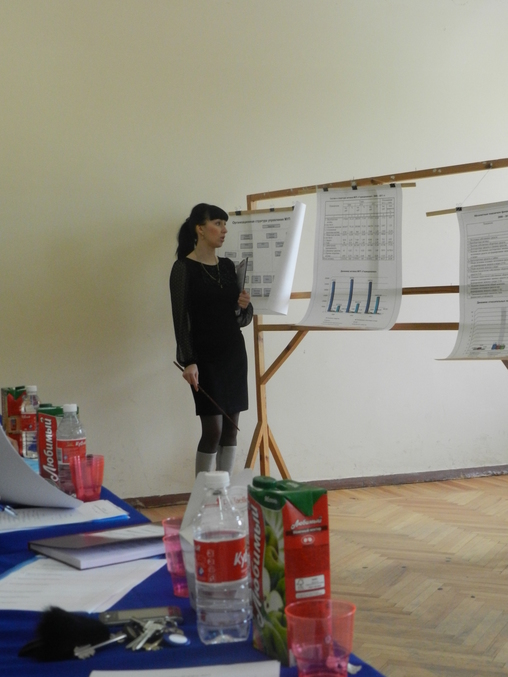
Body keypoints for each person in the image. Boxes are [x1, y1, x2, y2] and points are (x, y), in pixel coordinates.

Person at [170, 203, 253, 476]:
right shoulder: (183, 268)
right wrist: (188, 361)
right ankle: (202, 493)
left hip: (233, 355)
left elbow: (241, 319)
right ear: (200, 229)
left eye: (224, 224)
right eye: (218, 223)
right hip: (204, 358)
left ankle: (223, 492)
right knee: (212, 431)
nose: (224, 229)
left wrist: (242, 306)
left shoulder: (228, 266)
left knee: (230, 430)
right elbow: (180, 318)